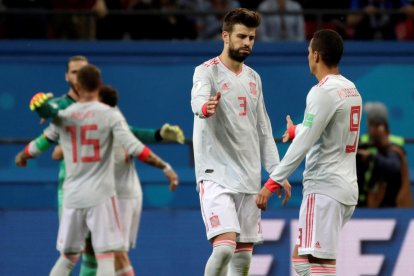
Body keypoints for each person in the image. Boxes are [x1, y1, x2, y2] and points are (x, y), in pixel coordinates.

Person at [22, 56, 185, 276]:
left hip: (86, 194)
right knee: (103, 255)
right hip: (90, 193)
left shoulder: (76, 112)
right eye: (73, 71)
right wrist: (165, 166)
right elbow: (135, 144)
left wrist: (25, 154)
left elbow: (43, 145)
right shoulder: (90, 111)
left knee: (80, 256)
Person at [190, 8, 291, 276]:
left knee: (243, 261)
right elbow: (197, 99)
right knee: (223, 248)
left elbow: (263, 130)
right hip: (216, 174)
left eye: (251, 38)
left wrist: (277, 173)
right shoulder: (206, 71)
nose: (247, 42)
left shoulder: (254, 78)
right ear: (225, 36)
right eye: (241, 36)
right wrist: (204, 107)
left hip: (248, 176)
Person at [256, 29, 362, 276]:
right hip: (345, 189)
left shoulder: (321, 91)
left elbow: (303, 146)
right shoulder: (350, 89)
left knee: (318, 263)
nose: (307, 57)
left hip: (324, 188)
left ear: (316, 55)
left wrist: (271, 183)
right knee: (303, 259)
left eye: (308, 52)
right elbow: (325, 126)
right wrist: (297, 130)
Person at [357, 102, 413, 208]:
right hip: (367, 203)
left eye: (373, 124)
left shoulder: (393, 147)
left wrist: (371, 157)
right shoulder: (364, 143)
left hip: (389, 206)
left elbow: (393, 167)